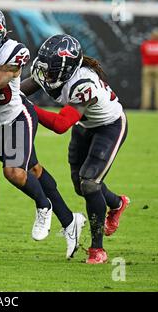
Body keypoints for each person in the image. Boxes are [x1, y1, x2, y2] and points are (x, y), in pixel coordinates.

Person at [0, 6, 86, 259]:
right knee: (35, 172)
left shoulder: (14, 51)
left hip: (15, 117)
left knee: (14, 173)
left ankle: (43, 206)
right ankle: (69, 221)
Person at [20, 34, 130, 264]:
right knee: (81, 187)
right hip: (85, 125)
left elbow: (60, 125)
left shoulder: (83, 84)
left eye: (50, 70)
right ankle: (117, 203)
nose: (44, 75)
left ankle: (97, 249)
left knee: (90, 184)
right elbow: (19, 92)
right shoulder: (51, 72)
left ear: (66, 69)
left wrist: (26, 106)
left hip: (109, 126)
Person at [140, 28, 158, 110]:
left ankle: (145, 107)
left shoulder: (146, 44)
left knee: (146, 88)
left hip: (147, 67)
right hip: (157, 67)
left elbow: (142, 53)